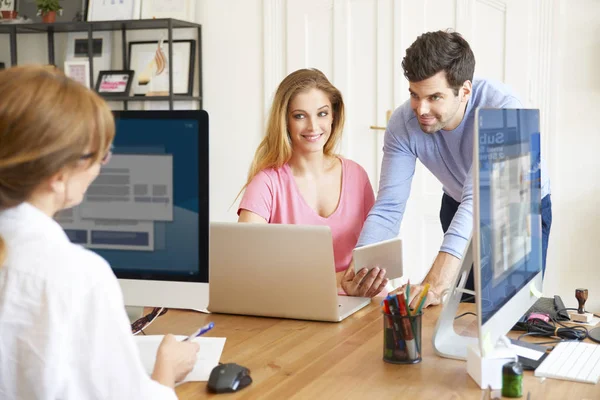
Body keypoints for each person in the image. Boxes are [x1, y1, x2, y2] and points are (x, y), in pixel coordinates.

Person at [0, 65, 199, 399]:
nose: (100, 166)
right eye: (99, 156)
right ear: (59, 174)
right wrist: (167, 370)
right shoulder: (76, 276)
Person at [353, 30, 552, 308]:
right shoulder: (402, 124)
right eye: (414, 95)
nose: (421, 109)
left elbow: (479, 200)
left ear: (465, 91)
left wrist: (433, 283)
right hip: (458, 202)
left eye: (434, 97)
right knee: (461, 308)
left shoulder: (504, 109)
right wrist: (360, 271)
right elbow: (388, 207)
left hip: (515, 207)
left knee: (510, 310)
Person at [237, 68, 388, 297]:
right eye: (300, 116)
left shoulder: (356, 175)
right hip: (295, 304)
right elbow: (246, 268)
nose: (313, 127)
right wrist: (339, 281)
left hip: (360, 303)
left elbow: (378, 252)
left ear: (334, 115)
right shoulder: (266, 183)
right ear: (285, 121)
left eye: (322, 114)